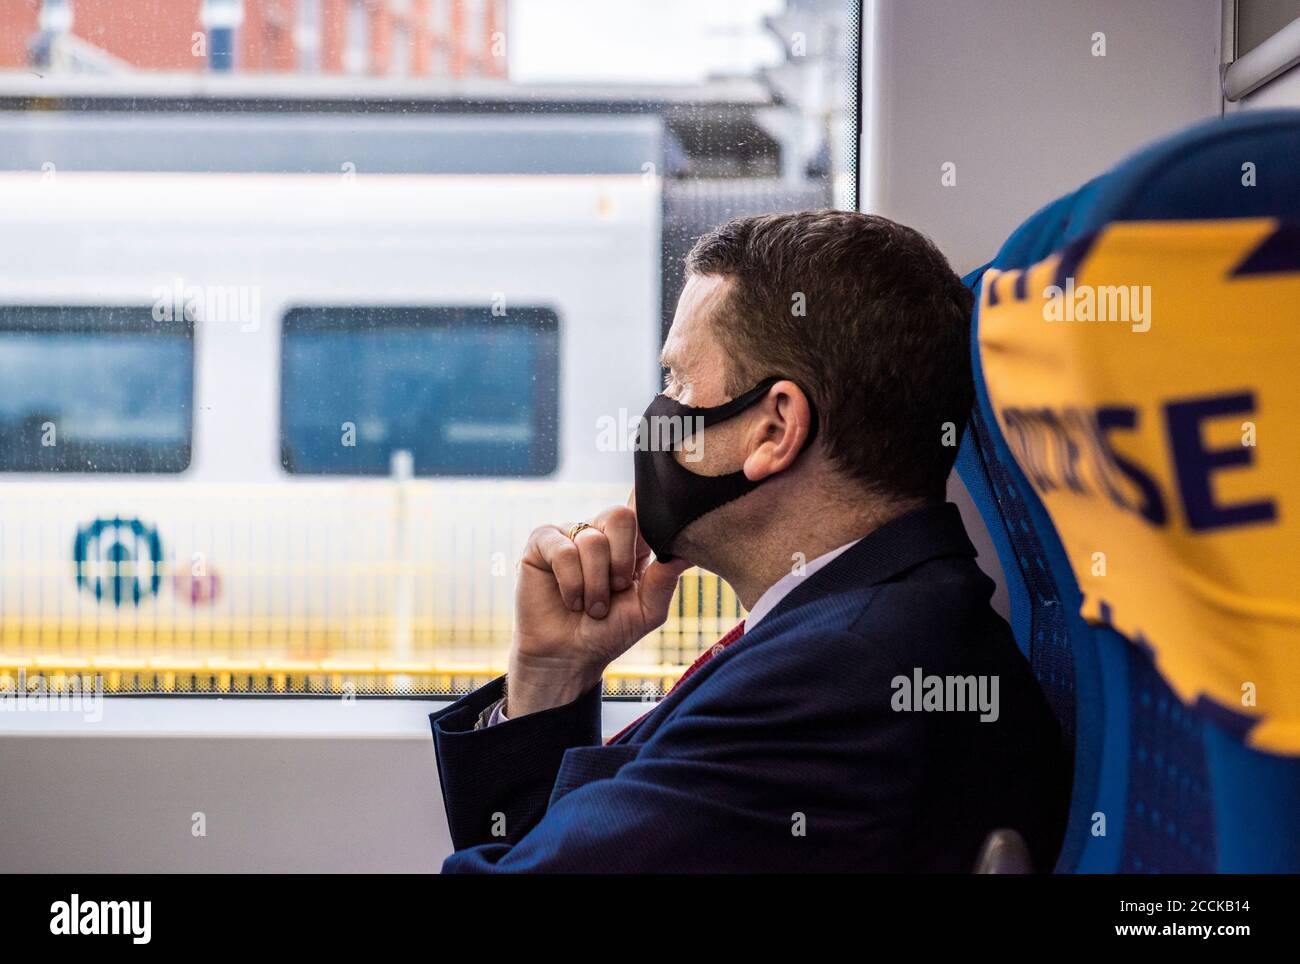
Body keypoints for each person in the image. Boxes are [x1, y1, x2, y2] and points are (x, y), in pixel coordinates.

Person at [429, 210, 1069, 872]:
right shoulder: (857, 625)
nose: (656, 415)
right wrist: (552, 676)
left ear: (774, 429)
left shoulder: (839, 678)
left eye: (678, 380)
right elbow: (543, 853)